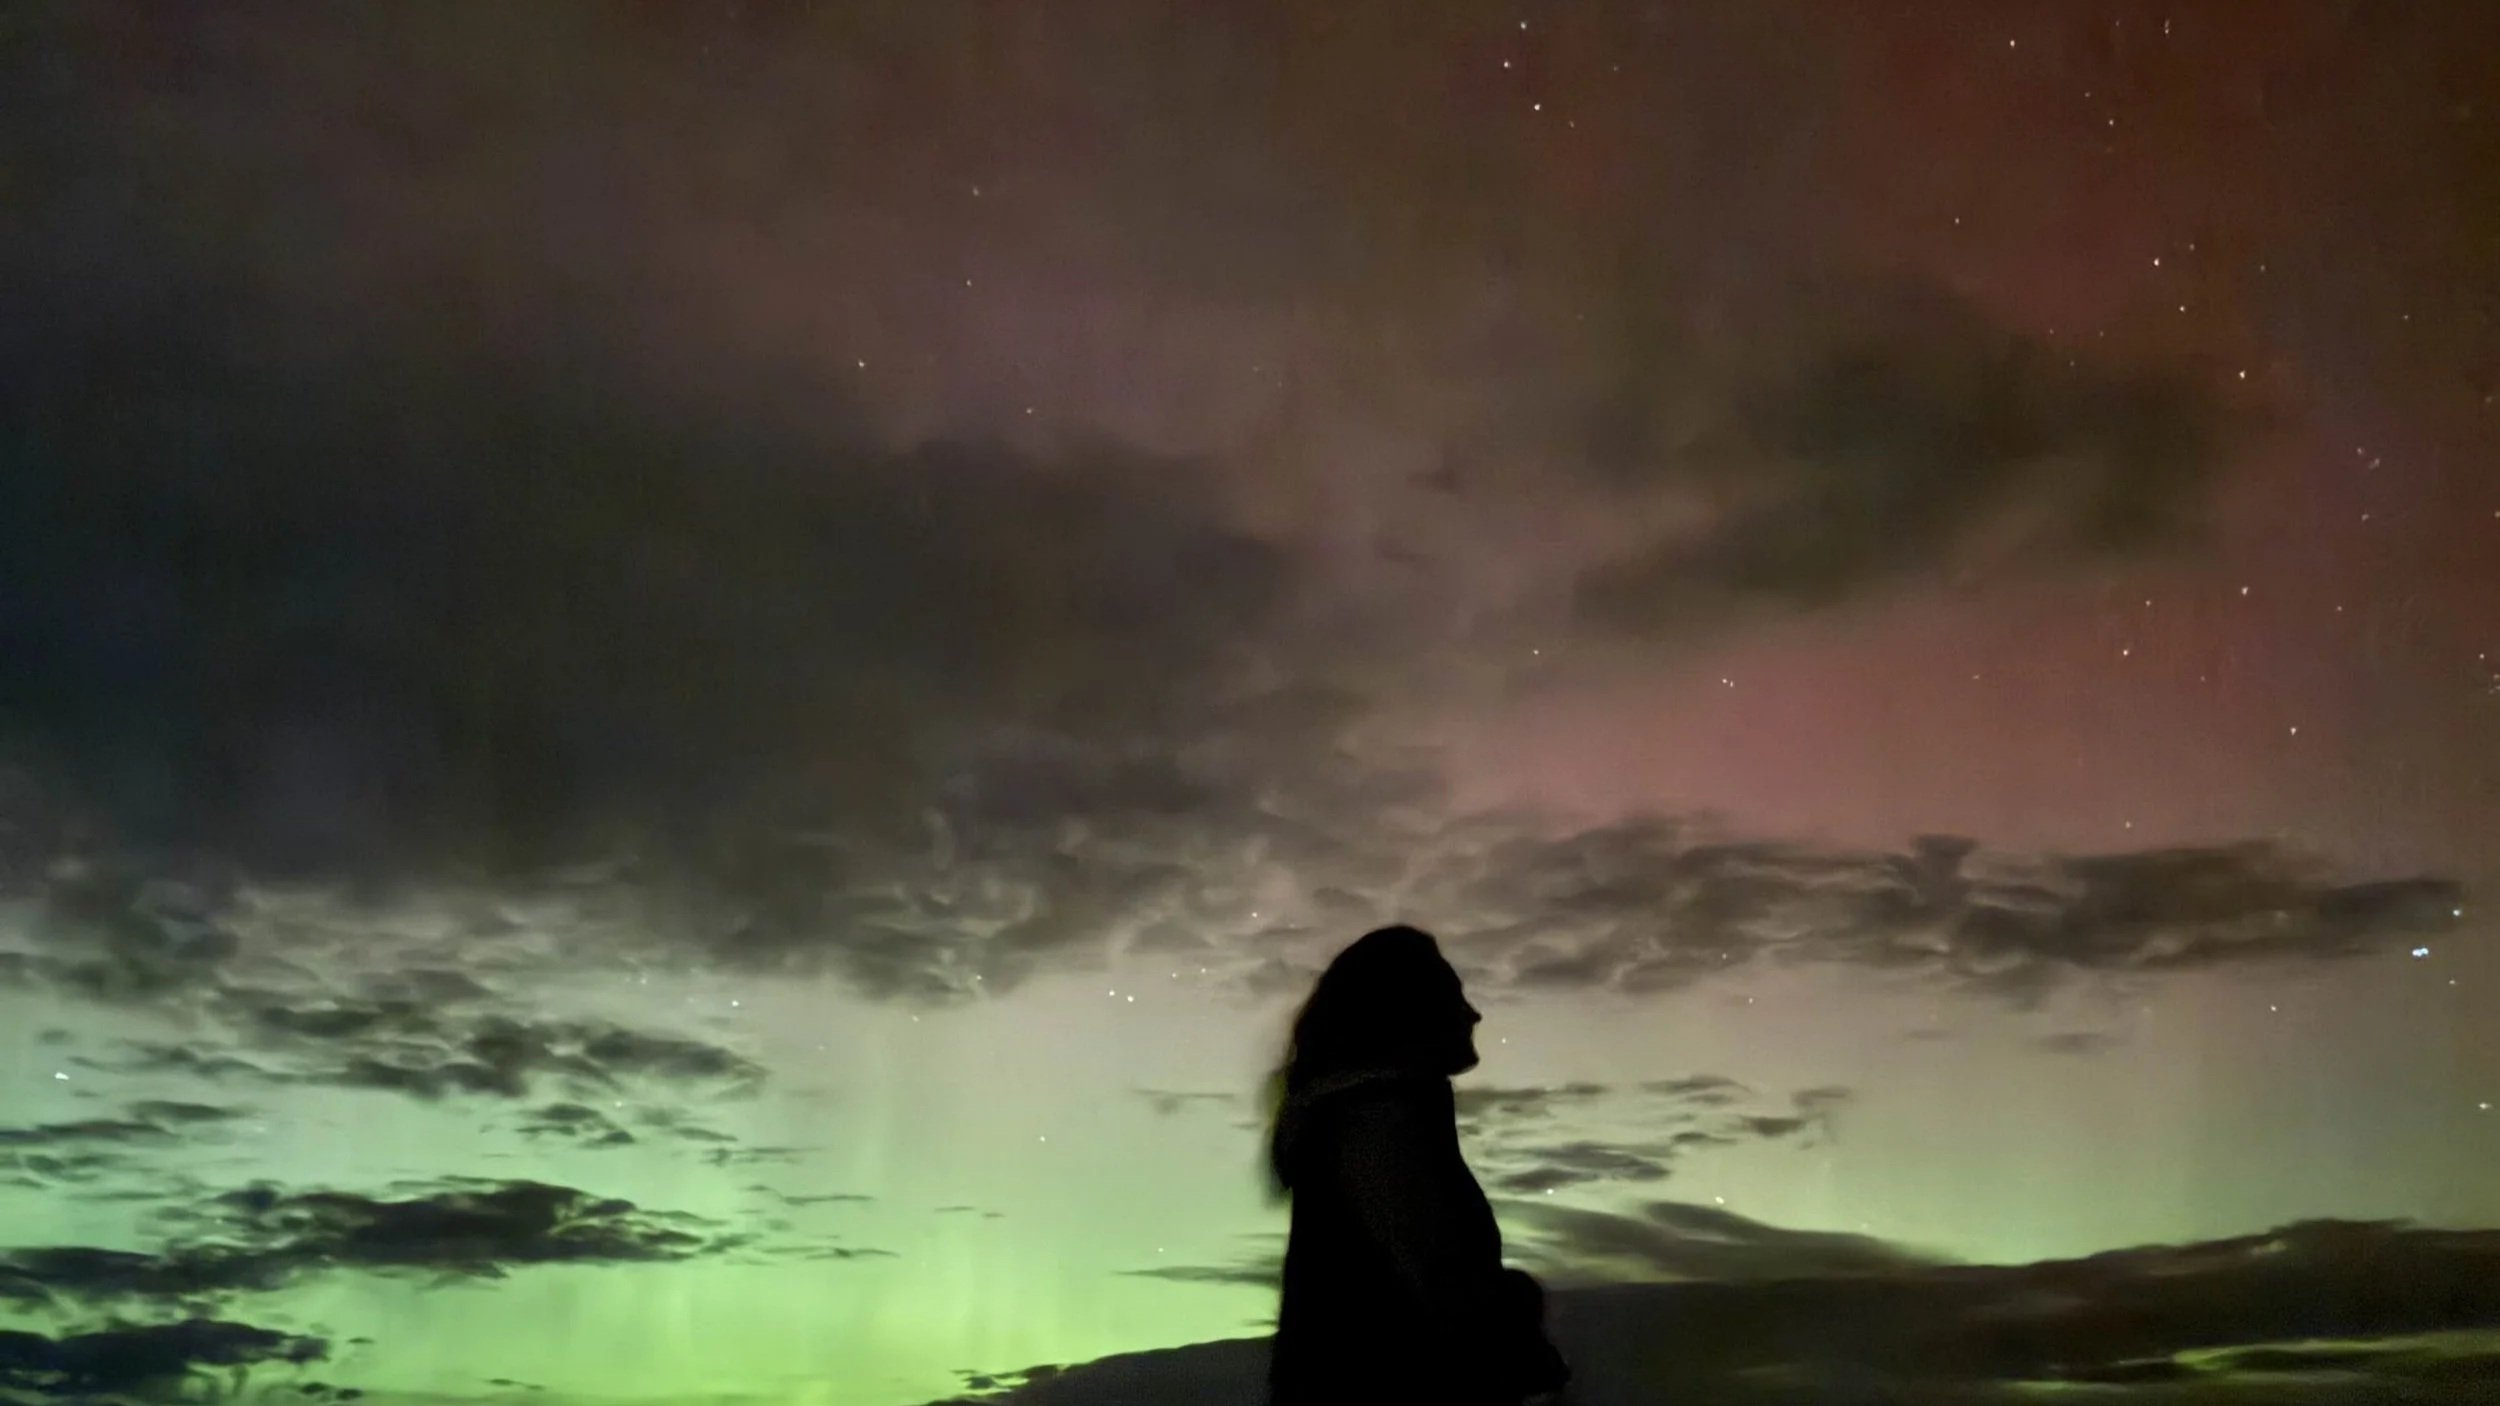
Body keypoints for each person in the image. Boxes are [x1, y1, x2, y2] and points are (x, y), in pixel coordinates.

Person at [1265, 925, 1570, 1405]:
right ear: (1408, 1011)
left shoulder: (1372, 1121)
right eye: (1454, 996)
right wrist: (1513, 1314)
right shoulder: (1379, 1124)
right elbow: (1439, 1284)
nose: (1474, 1014)